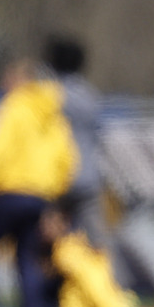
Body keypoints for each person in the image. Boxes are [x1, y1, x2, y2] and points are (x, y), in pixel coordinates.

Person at [0, 59, 78, 307]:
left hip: (10, 190)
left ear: (22, 80)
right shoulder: (54, 113)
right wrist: (53, 190)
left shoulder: (16, 105)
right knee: (26, 258)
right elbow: (67, 159)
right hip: (40, 196)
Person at [44, 34, 106, 242]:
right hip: (87, 177)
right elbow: (98, 134)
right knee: (96, 242)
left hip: (56, 178)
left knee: (47, 241)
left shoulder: (49, 95)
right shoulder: (91, 96)